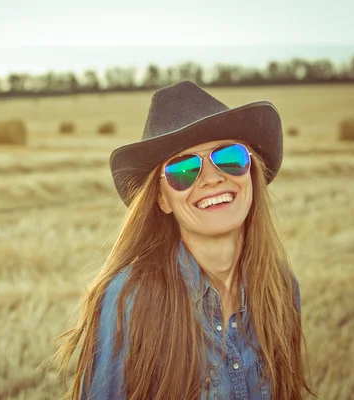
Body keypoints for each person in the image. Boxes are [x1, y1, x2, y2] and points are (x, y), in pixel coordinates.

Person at [54, 81, 316, 399]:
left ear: (251, 172)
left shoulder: (281, 286)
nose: (211, 177)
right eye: (184, 169)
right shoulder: (131, 298)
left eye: (230, 157)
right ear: (162, 200)